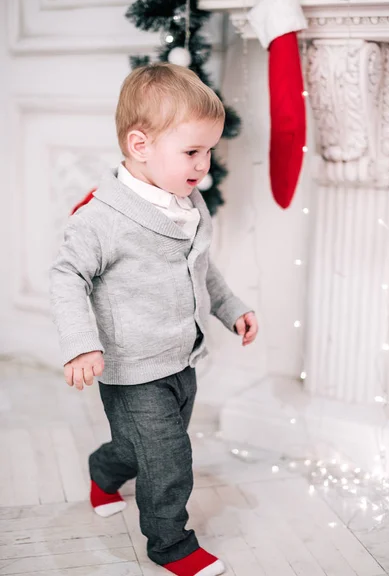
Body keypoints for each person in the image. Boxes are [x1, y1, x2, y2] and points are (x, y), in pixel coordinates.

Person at [50, 62, 258, 576]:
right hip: (131, 366)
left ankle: (104, 467)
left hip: (180, 358)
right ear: (140, 145)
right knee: (167, 458)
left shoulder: (190, 202)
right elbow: (66, 276)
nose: (203, 164)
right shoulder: (101, 217)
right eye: (191, 151)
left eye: (209, 150)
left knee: (138, 446)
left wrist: (232, 308)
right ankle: (171, 544)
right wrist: (81, 344)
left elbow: (202, 267)